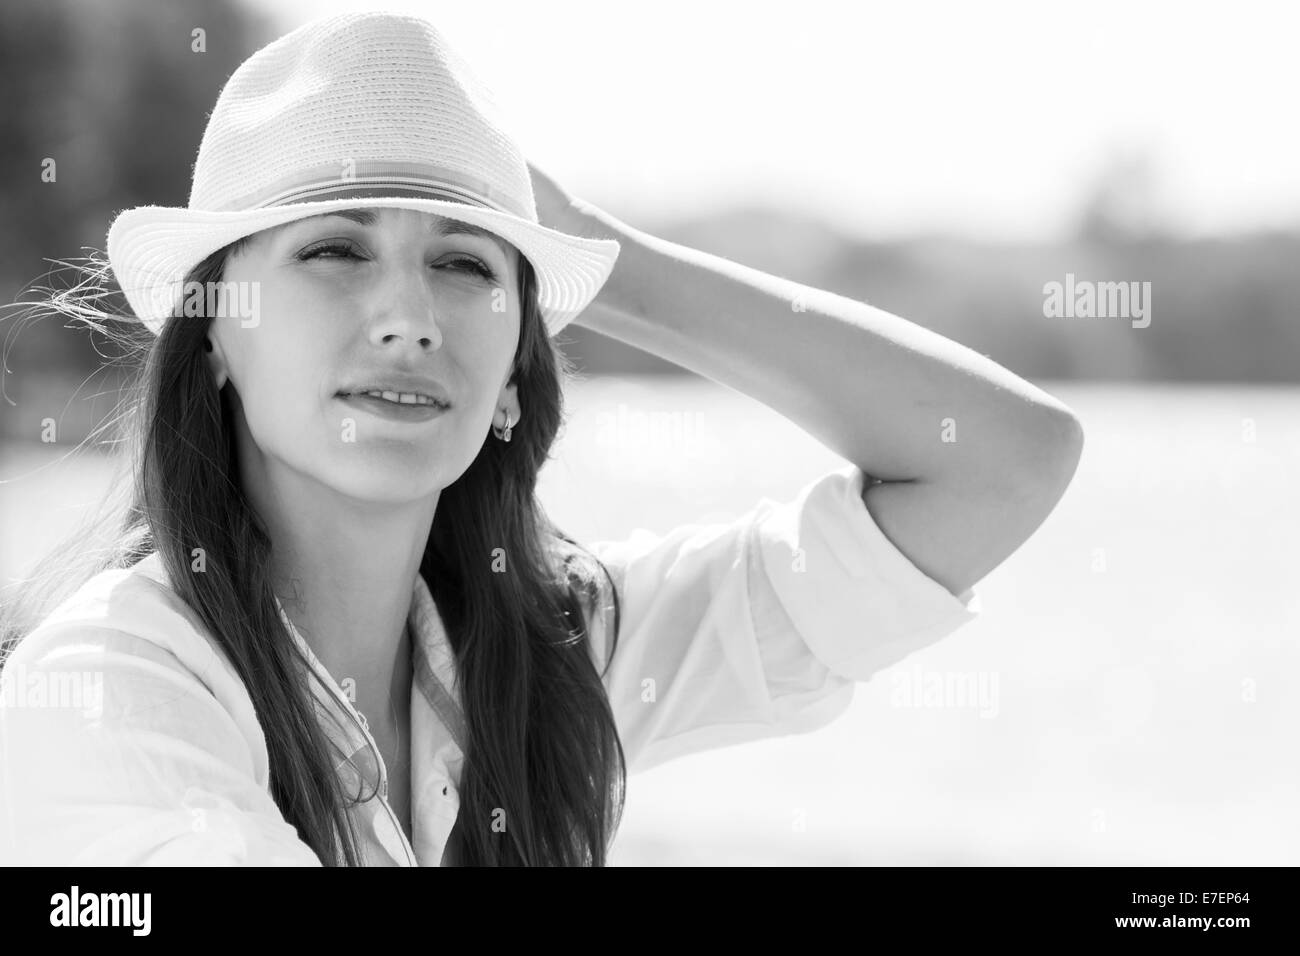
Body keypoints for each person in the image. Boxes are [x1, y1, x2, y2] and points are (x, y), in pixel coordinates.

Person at [0, 12, 1082, 866]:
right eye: (334, 249)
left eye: (466, 265)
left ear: (517, 371)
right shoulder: (112, 685)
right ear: (216, 339)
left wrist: (606, 256)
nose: (410, 314)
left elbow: (1000, 459)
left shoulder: (552, 653)